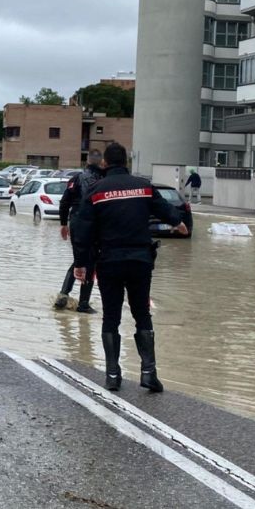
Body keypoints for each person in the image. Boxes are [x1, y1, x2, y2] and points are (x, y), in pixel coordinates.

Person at [71, 143, 188, 393]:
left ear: (104, 164)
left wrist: (80, 263)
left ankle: (113, 375)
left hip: (109, 262)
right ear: (126, 161)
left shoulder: (95, 191)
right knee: (142, 314)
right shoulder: (143, 186)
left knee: (110, 317)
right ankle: (148, 373)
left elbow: (81, 231)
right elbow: (164, 209)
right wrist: (178, 223)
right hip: (140, 261)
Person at [55, 150, 104, 313]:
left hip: (76, 222)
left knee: (80, 258)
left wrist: (64, 224)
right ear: (101, 162)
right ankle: (83, 303)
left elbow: (64, 202)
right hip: (94, 223)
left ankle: (64, 293)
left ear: (87, 162)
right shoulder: (103, 179)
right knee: (91, 261)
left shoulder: (75, 179)